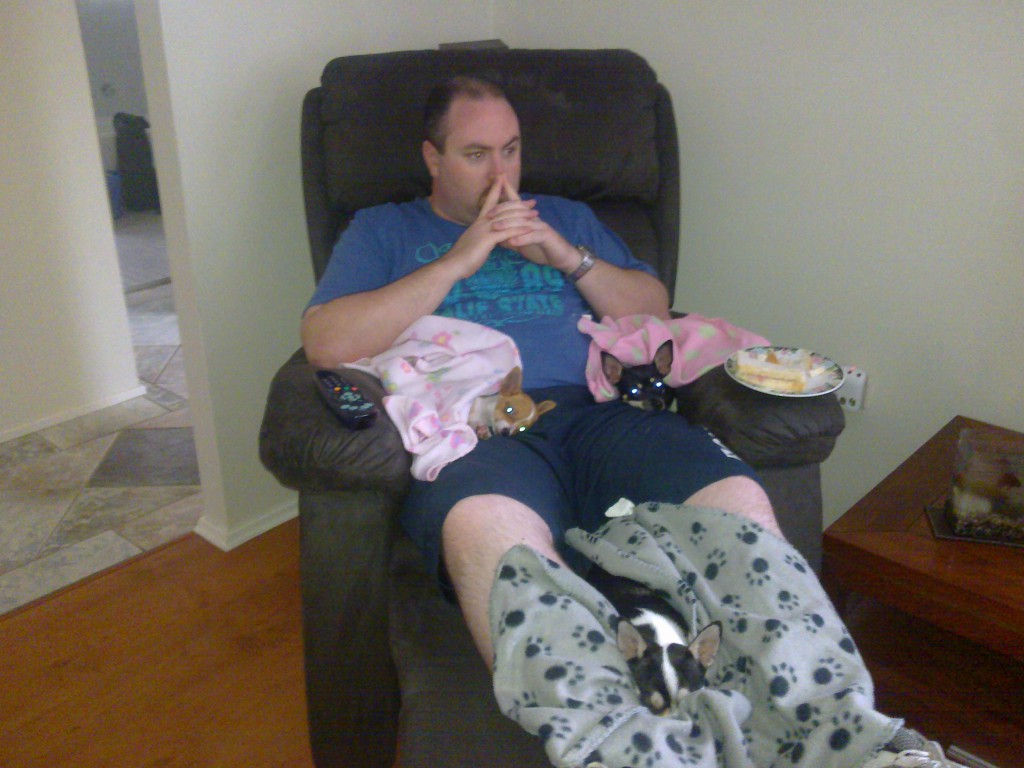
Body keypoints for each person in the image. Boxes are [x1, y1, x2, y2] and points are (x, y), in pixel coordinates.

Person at [302, 75, 965, 768]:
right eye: (476, 154)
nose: (502, 174)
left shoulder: (564, 216)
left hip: (604, 416)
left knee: (739, 507)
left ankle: (846, 736)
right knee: (499, 553)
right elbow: (325, 340)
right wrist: (458, 260)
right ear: (432, 158)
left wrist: (567, 257)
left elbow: (651, 306)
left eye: (512, 149)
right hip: (480, 432)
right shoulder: (384, 229)